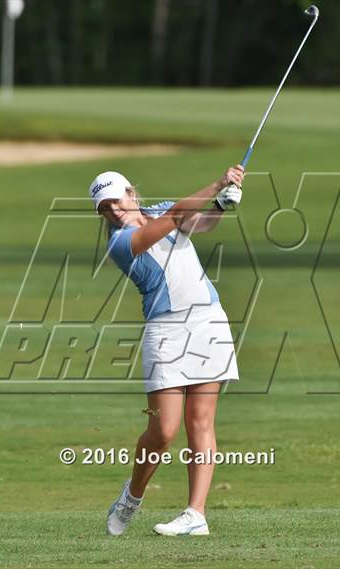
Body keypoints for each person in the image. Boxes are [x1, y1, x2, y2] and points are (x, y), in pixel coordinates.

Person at [88, 164, 245, 536]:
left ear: (132, 194)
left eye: (116, 200)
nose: (112, 210)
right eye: (104, 208)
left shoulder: (158, 210)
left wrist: (221, 205)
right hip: (167, 331)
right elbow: (178, 215)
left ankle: (196, 514)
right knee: (162, 431)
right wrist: (217, 183)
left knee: (201, 422)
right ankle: (132, 496)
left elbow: (197, 225)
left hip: (209, 320)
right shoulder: (119, 243)